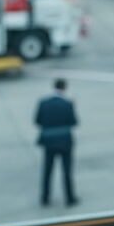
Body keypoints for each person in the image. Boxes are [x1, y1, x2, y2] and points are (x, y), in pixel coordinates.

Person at [35, 78, 79, 206]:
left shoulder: (43, 103)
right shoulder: (67, 103)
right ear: (65, 88)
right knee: (67, 171)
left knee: (47, 171)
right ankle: (70, 197)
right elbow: (74, 122)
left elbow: (37, 120)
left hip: (49, 141)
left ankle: (45, 198)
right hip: (65, 141)